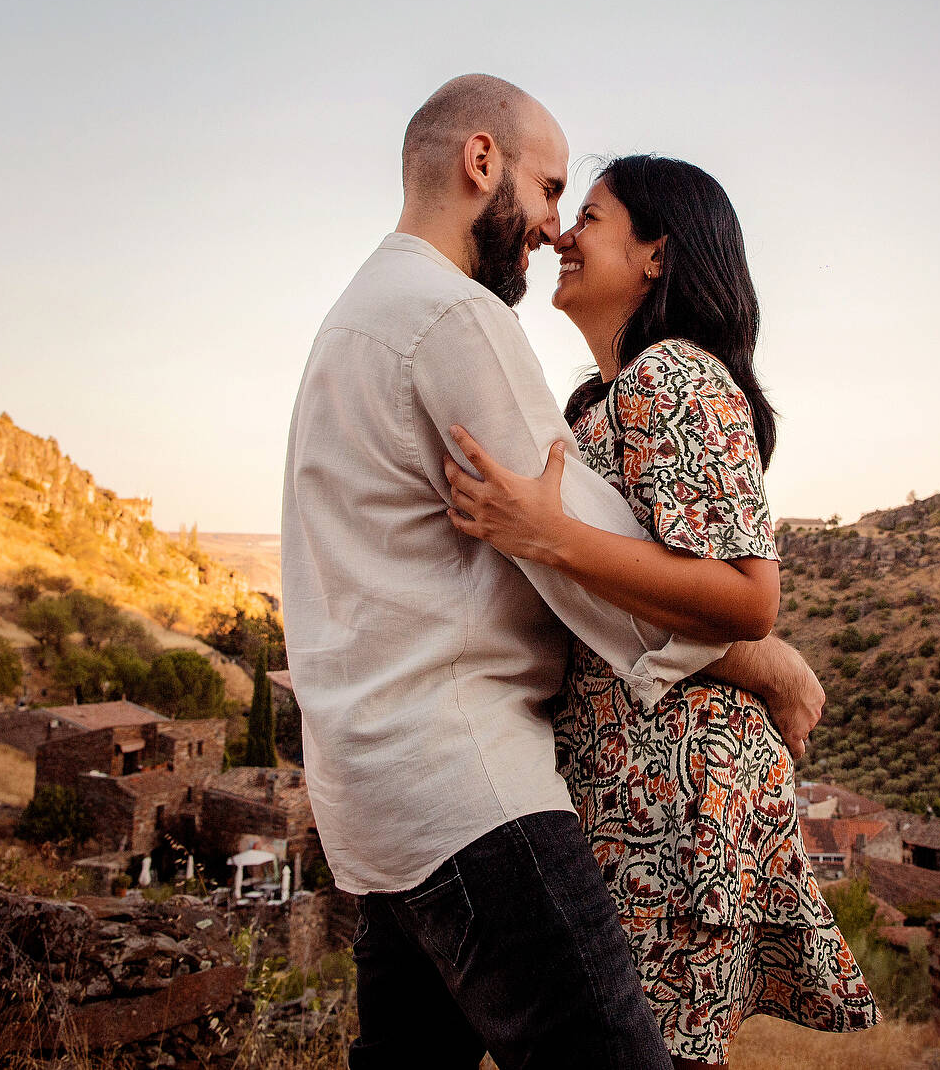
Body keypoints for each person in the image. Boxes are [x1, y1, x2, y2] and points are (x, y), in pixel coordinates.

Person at [280, 76, 826, 1070]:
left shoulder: (352, 317)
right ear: (480, 161)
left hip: (369, 797)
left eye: (576, 207)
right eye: (549, 189)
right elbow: (574, 549)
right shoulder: (451, 316)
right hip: (465, 785)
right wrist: (768, 662)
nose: (550, 227)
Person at [442, 154, 879, 1067]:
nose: (563, 234)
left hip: (675, 796)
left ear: (656, 254)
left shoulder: (673, 373)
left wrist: (550, 535)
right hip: (632, 786)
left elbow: (750, 597)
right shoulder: (607, 400)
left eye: (591, 217)